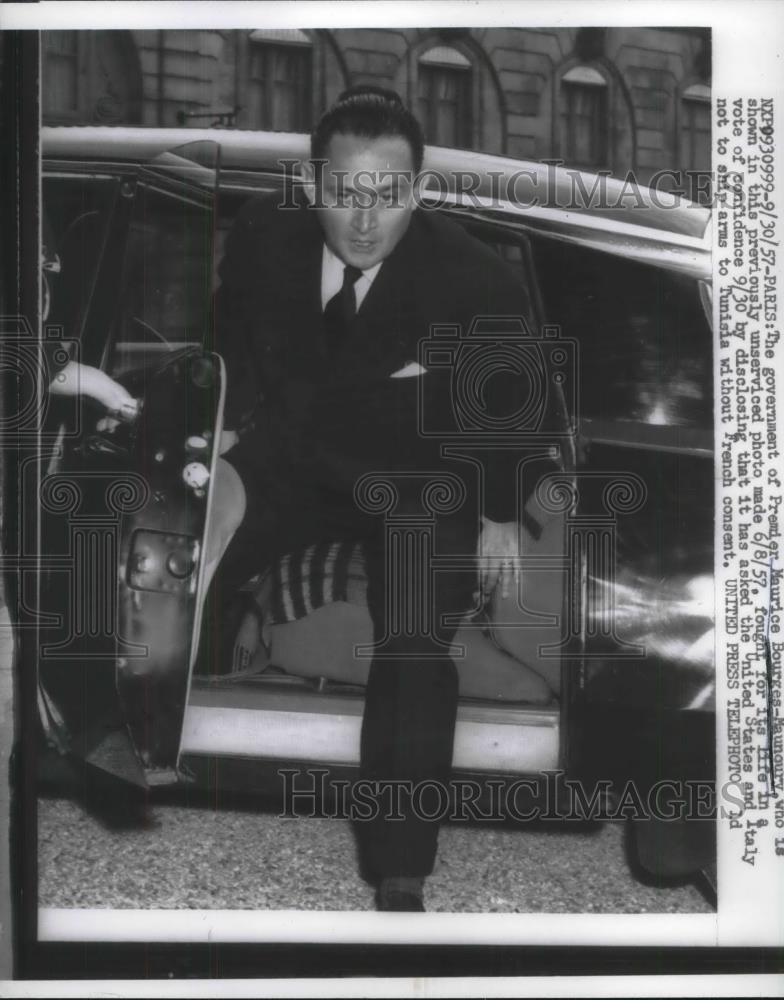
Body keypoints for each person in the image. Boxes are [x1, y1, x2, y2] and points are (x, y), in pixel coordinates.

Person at [208, 85, 540, 911]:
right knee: (181, 549)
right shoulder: (263, 237)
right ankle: (140, 736)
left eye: (388, 197)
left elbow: (512, 401)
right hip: (295, 453)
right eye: (345, 195)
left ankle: (400, 863)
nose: (364, 221)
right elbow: (228, 338)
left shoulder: (474, 275)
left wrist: (498, 509)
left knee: (416, 640)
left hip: (416, 474)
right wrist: (212, 428)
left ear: (418, 192)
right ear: (312, 185)